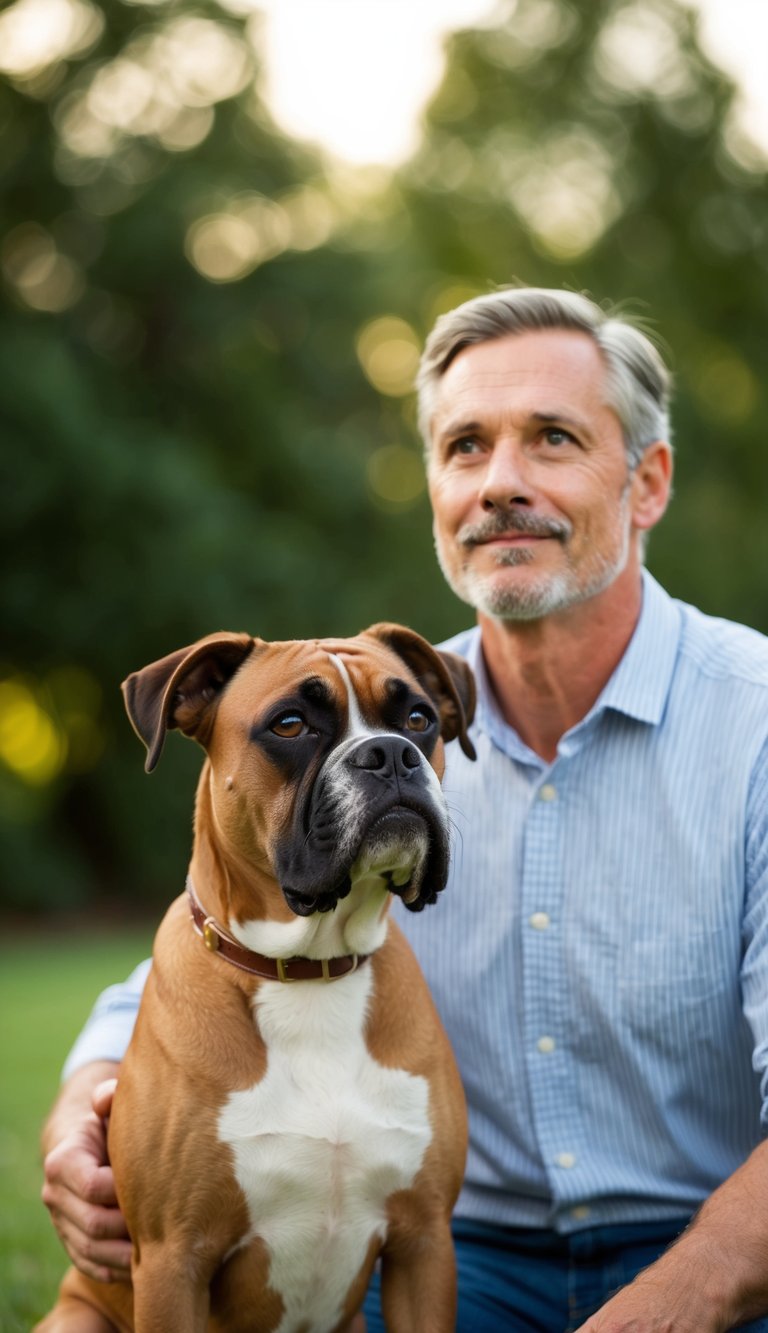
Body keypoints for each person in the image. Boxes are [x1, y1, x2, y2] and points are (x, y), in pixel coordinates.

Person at [41, 287, 768, 1332]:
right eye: (466, 447)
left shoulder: (752, 727)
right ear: (433, 486)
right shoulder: (386, 710)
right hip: (467, 1259)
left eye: (553, 439)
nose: (502, 483)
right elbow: (202, 960)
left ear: (647, 482)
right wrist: (82, 1110)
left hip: (717, 1253)